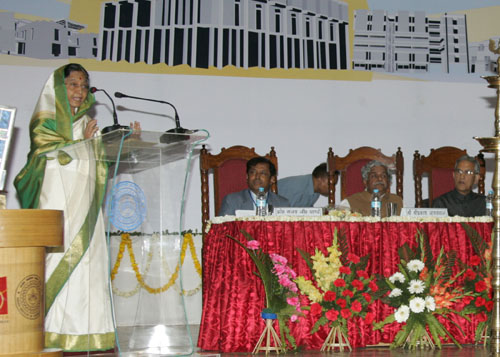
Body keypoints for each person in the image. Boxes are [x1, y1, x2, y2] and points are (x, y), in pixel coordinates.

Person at [14, 64, 139, 352]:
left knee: (88, 266)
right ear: (59, 88)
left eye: (83, 86)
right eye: (73, 84)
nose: (80, 92)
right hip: (57, 204)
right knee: (57, 261)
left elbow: (102, 163)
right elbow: (44, 155)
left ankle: (85, 333)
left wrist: (127, 143)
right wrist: (78, 145)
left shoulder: (88, 126)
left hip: (86, 206)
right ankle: (48, 332)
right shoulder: (45, 125)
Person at [218, 156, 290, 216]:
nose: (257, 177)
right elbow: (223, 230)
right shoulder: (232, 201)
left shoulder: (282, 203)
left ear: (272, 179)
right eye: (253, 172)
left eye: (263, 173)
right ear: (247, 176)